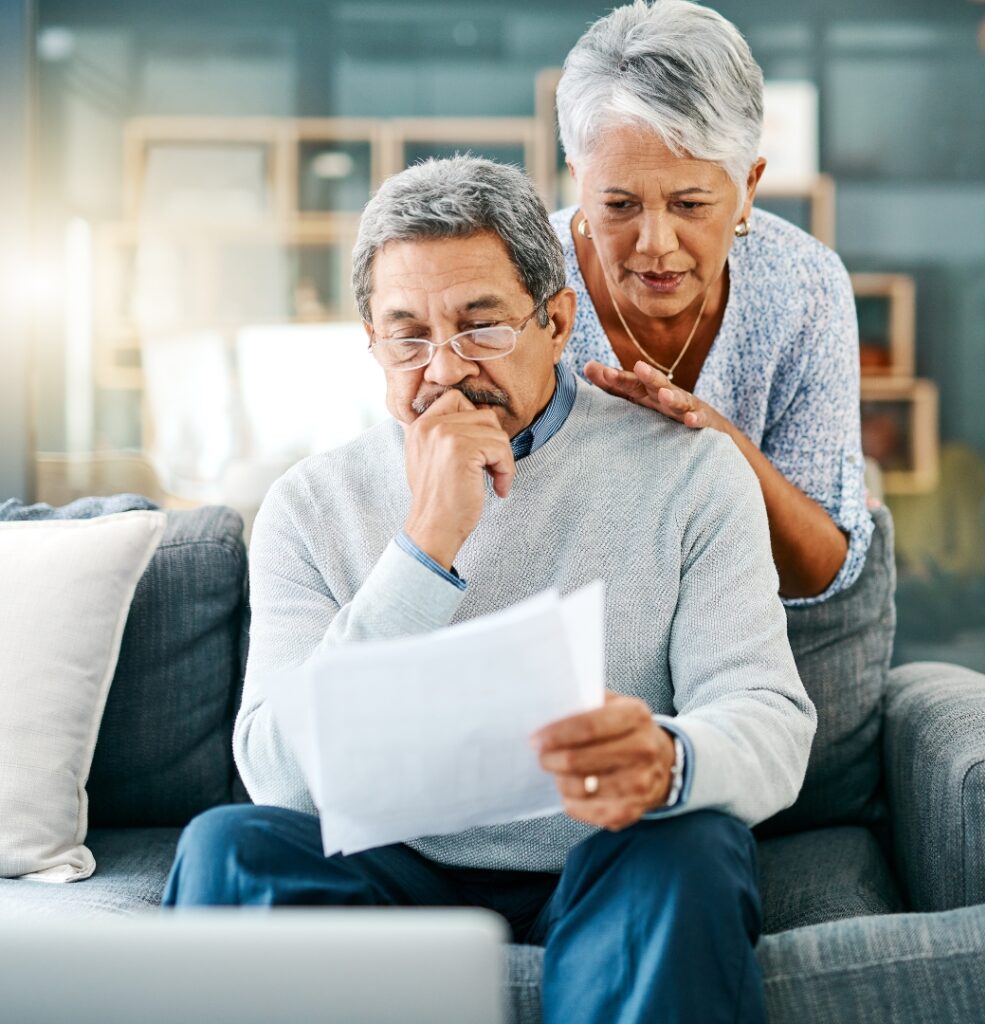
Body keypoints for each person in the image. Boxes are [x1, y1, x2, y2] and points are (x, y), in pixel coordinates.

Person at [163, 156, 816, 1023]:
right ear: (371, 343)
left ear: (556, 320)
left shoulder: (690, 472)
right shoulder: (309, 504)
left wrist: (669, 759)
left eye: (481, 327)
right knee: (228, 848)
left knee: (696, 845)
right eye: (407, 336)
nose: (443, 370)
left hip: (609, 860)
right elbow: (280, 775)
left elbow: (768, 718)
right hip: (390, 865)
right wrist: (426, 542)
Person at [553, 0, 872, 603]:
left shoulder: (803, 286)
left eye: (690, 205)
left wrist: (714, 441)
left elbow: (822, 572)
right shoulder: (522, 275)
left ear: (748, 187)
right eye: (619, 205)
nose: (655, 245)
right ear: (578, 179)